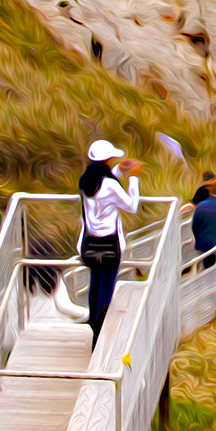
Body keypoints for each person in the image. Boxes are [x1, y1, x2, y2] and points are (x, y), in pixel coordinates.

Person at [77, 139, 141, 349]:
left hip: (90, 243)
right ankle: (100, 338)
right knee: (106, 290)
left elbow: (104, 184)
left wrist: (119, 171)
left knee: (94, 287)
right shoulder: (110, 184)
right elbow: (131, 205)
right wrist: (133, 180)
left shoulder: (86, 181)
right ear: (107, 160)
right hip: (109, 244)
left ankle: (93, 328)